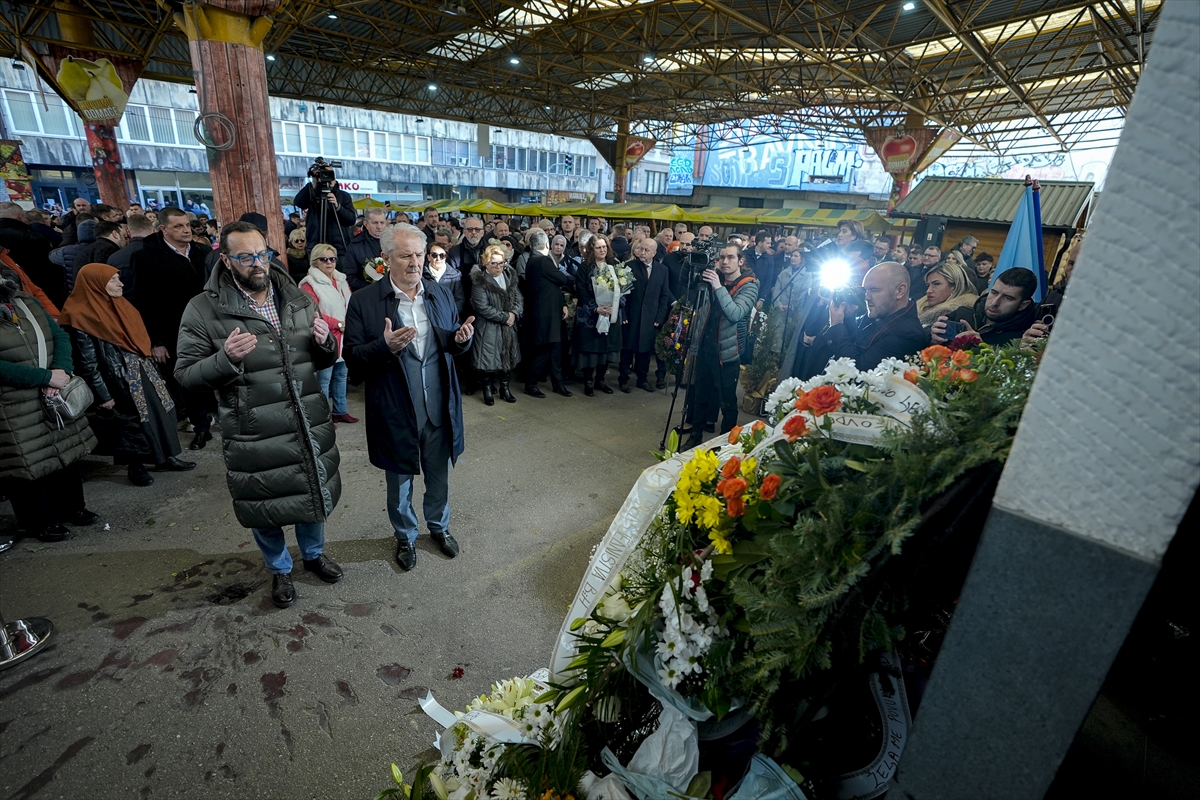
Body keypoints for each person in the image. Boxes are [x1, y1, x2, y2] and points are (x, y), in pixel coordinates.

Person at [175, 221, 343, 608]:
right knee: (265, 506)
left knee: (312, 493)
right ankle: (280, 570)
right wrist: (225, 359)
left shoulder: (296, 296)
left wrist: (324, 344)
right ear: (226, 259)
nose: (257, 264)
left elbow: (319, 357)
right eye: (246, 257)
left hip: (306, 418)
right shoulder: (204, 308)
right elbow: (185, 375)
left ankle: (314, 555)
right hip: (254, 428)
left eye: (262, 254)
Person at [342, 223, 475, 572]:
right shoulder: (364, 301)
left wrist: (461, 341)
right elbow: (353, 359)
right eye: (405, 255)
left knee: (439, 474)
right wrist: (383, 347)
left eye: (419, 254)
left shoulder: (439, 293)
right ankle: (405, 536)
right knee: (399, 479)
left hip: (438, 406)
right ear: (386, 258)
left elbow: (448, 340)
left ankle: (439, 527)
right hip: (395, 409)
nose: (415, 262)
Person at [60, 263, 194, 486]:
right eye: (112, 280)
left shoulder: (122, 306)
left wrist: (154, 372)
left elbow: (141, 342)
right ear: (96, 284)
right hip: (117, 378)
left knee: (159, 413)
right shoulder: (80, 315)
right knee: (130, 423)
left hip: (142, 369)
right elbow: (88, 363)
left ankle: (164, 458)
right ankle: (136, 466)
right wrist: (103, 395)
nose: (120, 283)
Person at [0, 264, 98, 542]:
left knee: (66, 451)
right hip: (12, 403)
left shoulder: (26, 301)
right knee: (28, 461)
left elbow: (59, 336)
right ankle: (38, 521)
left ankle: (73, 508)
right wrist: (43, 377)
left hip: (53, 390)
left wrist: (62, 372)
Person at [129, 207, 215, 451]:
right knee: (189, 380)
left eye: (187, 224)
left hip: (209, 326)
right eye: (178, 226)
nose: (186, 229)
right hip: (174, 330)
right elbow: (143, 302)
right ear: (163, 229)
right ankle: (201, 427)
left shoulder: (203, 252)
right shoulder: (145, 257)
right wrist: (156, 341)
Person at [682, 242, 759, 449]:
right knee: (700, 396)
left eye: (731, 257)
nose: (725, 262)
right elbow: (689, 291)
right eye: (722, 257)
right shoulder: (712, 278)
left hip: (727, 353)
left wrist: (717, 286)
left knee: (727, 402)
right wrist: (689, 266)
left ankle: (728, 443)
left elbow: (735, 313)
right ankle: (695, 437)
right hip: (705, 348)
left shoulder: (749, 284)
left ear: (741, 261)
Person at [817, 261, 926, 372]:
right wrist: (849, 316)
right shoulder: (882, 311)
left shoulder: (908, 334)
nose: (867, 297)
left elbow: (858, 372)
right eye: (865, 291)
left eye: (874, 290)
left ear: (899, 291)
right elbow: (853, 343)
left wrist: (836, 326)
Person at [299, 243, 357, 425]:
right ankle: (324, 416)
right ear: (315, 262)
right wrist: (338, 324)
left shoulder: (341, 280)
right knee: (324, 380)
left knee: (341, 376)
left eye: (332, 258)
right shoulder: (309, 284)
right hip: (325, 337)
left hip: (344, 336)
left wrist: (349, 324)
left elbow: (350, 304)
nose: (330, 262)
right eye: (324, 259)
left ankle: (340, 411)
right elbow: (312, 312)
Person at [930, 266, 1039, 348]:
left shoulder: (1021, 340)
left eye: (1008, 298)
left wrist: (983, 348)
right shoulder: (962, 314)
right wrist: (932, 339)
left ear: (1023, 305)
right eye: (994, 293)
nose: (995, 302)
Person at [522, 229, 574, 398]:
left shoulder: (533, 260)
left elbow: (551, 287)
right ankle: (530, 384)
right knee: (543, 350)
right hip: (545, 315)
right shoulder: (542, 260)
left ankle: (558, 384)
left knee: (555, 349)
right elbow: (561, 279)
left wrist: (562, 304)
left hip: (550, 312)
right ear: (546, 244)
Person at [470, 244, 523, 406]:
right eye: (494, 263)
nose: (499, 267)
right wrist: (505, 317)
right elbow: (483, 307)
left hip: (508, 325)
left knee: (507, 358)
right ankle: (487, 390)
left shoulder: (509, 276)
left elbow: (518, 298)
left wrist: (514, 313)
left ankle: (505, 388)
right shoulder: (480, 282)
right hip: (488, 328)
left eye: (502, 263)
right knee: (487, 361)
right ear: (486, 263)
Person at [575, 233, 624, 397]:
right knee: (591, 351)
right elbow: (581, 291)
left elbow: (624, 289)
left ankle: (600, 380)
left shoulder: (616, 265)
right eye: (598, 247)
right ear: (591, 249)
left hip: (611, 314)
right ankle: (588, 381)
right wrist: (596, 308)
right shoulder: (585, 267)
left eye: (604, 247)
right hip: (591, 316)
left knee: (607, 349)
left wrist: (614, 306)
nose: (602, 250)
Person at [619, 237, 671, 393]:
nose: (642, 252)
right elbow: (621, 294)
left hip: (650, 319)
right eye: (640, 249)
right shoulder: (629, 267)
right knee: (627, 350)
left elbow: (664, 296)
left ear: (654, 253)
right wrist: (623, 314)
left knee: (645, 352)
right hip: (631, 316)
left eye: (646, 250)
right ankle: (623, 380)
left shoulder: (662, 270)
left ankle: (642, 379)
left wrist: (659, 318)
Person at [0, 201, 65, 307]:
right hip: (39, 290)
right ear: (20, 216)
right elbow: (49, 271)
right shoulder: (31, 238)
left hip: (9, 297)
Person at [293, 168, 356, 256]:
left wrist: (338, 207)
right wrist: (312, 184)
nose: (327, 177)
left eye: (330, 174)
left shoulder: (343, 196)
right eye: (323, 174)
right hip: (316, 246)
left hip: (339, 248)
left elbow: (351, 219)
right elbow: (298, 203)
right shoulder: (312, 193)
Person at [916, 258, 978, 328]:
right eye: (928, 285)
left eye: (936, 284)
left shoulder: (960, 316)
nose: (928, 290)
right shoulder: (919, 308)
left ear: (954, 287)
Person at [109, 213, 154, 299]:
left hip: (127, 306)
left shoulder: (114, 258)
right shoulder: (163, 253)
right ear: (154, 231)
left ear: (128, 233)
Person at [346, 207, 388, 292]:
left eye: (382, 223)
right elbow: (351, 278)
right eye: (375, 223)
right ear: (366, 223)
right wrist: (375, 288)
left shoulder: (395, 241)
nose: (379, 227)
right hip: (368, 293)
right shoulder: (355, 245)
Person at [424, 240, 466, 317]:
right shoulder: (422, 275)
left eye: (442, 255)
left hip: (449, 318)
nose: (438, 258)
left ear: (446, 257)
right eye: (434, 255)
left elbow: (459, 300)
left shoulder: (454, 276)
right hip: (427, 317)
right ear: (428, 257)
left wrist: (449, 315)